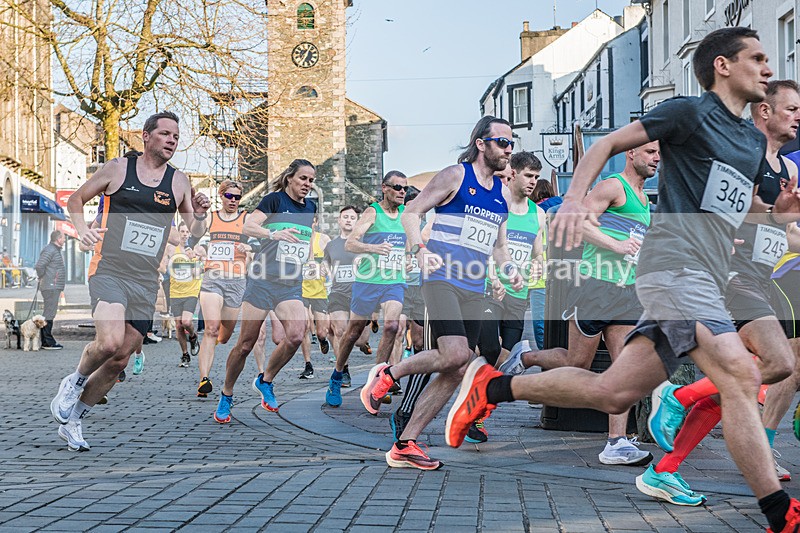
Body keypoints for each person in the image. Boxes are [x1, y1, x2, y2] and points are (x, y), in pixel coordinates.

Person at [446, 28, 800, 533]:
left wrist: (778, 214)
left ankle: (493, 387)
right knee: (742, 377)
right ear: (723, 65)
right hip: (675, 269)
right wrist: (572, 199)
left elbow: (733, 213)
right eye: (758, 57)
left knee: (614, 392)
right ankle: (778, 512)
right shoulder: (688, 112)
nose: (768, 67)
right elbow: (610, 142)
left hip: (712, 275)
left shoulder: (748, 140)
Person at [634, 80, 800, 504]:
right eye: (791, 108)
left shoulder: (789, 170)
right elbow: (718, 212)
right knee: (777, 364)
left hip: (763, 278)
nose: (798, 116)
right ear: (764, 111)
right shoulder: (739, 157)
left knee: (740, 384)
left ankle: (663, 470)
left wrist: (783, 222)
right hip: (728, 276)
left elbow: (786, 232)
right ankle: (678, 395)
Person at [360, 116, 522, 470]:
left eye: (513, 143)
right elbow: (411, 213)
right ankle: (389, 374)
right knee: (454, 353)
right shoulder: (456, 175)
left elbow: (499, 247)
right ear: (481, 143)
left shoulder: (503, 194)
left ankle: (405, 444)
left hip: (474, 286)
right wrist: (420, 247)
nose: (509, 150)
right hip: (441, 277)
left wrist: (509, 270)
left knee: (458, 364)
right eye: (502, 142)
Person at [52, 111, 210, 451]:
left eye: (176, 137)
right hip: (109, 268)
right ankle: (74, 381)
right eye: (165, 133)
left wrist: (199, 214)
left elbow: (188, 235)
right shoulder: (118, 168)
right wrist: (83, 230)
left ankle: (76, 418)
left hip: (146, 279)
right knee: (108, 343)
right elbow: (76, 199)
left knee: (121, 358)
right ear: (147, 136)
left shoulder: (179, 181)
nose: (172, 140)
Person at [500, 142, 659, 466]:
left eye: (659, 153)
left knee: (623, 369)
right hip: (594, 287)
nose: (657, 158)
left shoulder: (644, 199)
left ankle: (616, 442)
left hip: (625, 292)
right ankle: (527, 357)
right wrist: (616, 245)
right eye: (650, 151)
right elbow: (579, 223)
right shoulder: (614, 187)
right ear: (631, 154)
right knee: (577, 363)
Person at [214, 159, 316, 423]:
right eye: (303, 178)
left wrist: (311, 258)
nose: (307, 184)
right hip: (262, 281)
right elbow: (247, 226)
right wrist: (274, 235)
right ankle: (227, 393)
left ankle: (265, 380)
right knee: (245, 345)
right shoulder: (274, 200)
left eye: (311, 180)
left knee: (295, 336)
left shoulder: (312, 207)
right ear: (290, 178)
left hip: (290, 283)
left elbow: (306, 238)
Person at [473, 151, 546, 444]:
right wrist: (492, 276)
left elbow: (538, 251)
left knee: (507, 354)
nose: (533, 182)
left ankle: (475, 405)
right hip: (491, 288)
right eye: (529, 175)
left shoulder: (538, 214)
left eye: (537, 177)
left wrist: (537, 267)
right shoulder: (495, 204)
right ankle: (473, 408)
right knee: (489, 347)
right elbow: (485, 245)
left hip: (518, 293)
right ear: (513, 173)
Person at [324, 171, 409, 408]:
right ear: (384, 188)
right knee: (352, 333)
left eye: (405, 188)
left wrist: (414, 255)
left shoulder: (406, 213)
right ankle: (337, 375)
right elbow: (351, 243)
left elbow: (412, 241)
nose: (402, 192)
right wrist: (373, 248)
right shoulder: (373, 212)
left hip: (394, 280)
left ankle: (375, 380)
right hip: (368, 281)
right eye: (397, 187)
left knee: (393, 325)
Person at [194, 180, 250, 397]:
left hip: (236, 280)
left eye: (237, 197)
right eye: (229, 196)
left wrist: (250, 247)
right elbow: (195, 233)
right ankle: (203, 379)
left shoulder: (246, 219)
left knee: (224, 336)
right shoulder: (212, 217)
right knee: (211, 329)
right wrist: (196, 245)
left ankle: (213, 344)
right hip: (213, 278)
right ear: (221, 196)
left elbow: (260, 242)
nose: (233, 201)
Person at [323, 205, 360, 387]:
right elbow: (326, 266)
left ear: (357, 222)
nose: (348, 220)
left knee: (360, 338)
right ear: (339, 220)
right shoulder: (331, 245)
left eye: (352, 218)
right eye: (345, 217)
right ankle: (342, 369)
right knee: (339, 331)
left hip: (359, 294)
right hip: (338, 293)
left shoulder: (363, 244)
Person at [299, 219, 331, 379]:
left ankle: (323, 340)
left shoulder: (323, 239)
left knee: (322, 332)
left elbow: (333, 258)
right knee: (304, 326)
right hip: (301, 290)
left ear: (315, 222)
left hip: (320, 290)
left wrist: (326, 265)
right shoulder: (297, 239)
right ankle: (308, 364)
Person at [168, 222, 203, 367]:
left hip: (191, 291)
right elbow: (165, 266)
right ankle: (185, 354)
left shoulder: (197, 250)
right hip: (175, 291)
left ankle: (193, 336)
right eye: (181, 231)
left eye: (186, 231)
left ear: (190, 234)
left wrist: (193, 260)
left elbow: (199, 272)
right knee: (178, 325)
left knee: (186, 322)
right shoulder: (171, 249)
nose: (184, 234)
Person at [35, 230, 66, 350]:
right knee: (49, 313)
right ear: (58, 239)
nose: (64, 240)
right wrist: (43, 276)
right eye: (63, 237)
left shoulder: (54, 250)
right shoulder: (50, 250)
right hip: (50, 286)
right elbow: (39, 265)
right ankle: (47, 341)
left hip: (53, 285)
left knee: (50, 313)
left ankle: (46, 340)